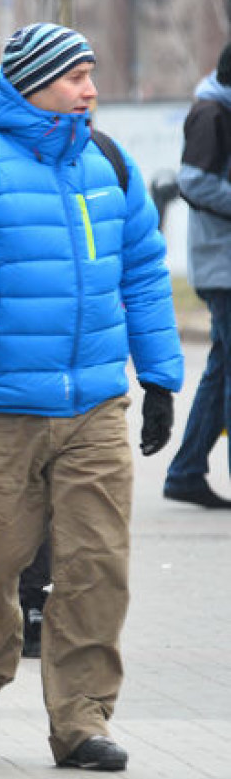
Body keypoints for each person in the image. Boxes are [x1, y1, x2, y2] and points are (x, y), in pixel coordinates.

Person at [0, 23, 184, 771]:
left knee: (98, 561)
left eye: (91, 75)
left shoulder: (109, 164)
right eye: (76, 76)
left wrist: (158, 378)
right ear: (32, 83)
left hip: (92, 405)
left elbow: (144, 275)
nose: (90, 89)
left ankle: (81, 718)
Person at [164, 41, 231, 509]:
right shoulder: (211, 113)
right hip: (223, 265)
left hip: (221, 262)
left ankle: (186, 472)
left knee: (220, 370)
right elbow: (194, 180)